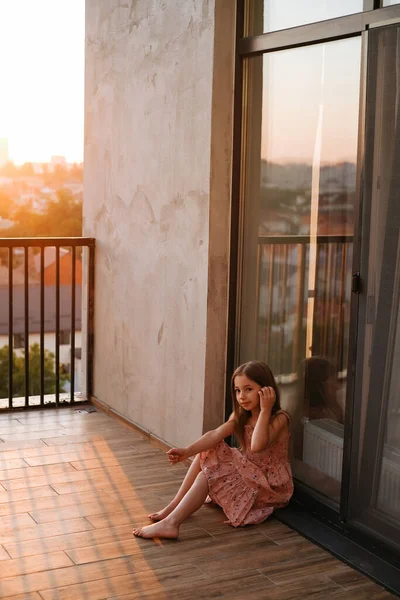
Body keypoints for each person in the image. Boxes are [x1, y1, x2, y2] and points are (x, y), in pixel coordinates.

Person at [133, 360, 293, 540]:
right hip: (249, 472)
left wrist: (265, 410)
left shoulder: (279, 419)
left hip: (267, 485)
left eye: (249, 389)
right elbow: (216, 434)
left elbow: (256, 446)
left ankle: (171, 524)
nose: (242, 396)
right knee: (208, 450)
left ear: (266, 390)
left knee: (207, 475)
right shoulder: (241, 415)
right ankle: (173, 507)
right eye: (238, 390)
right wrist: (187, 451)